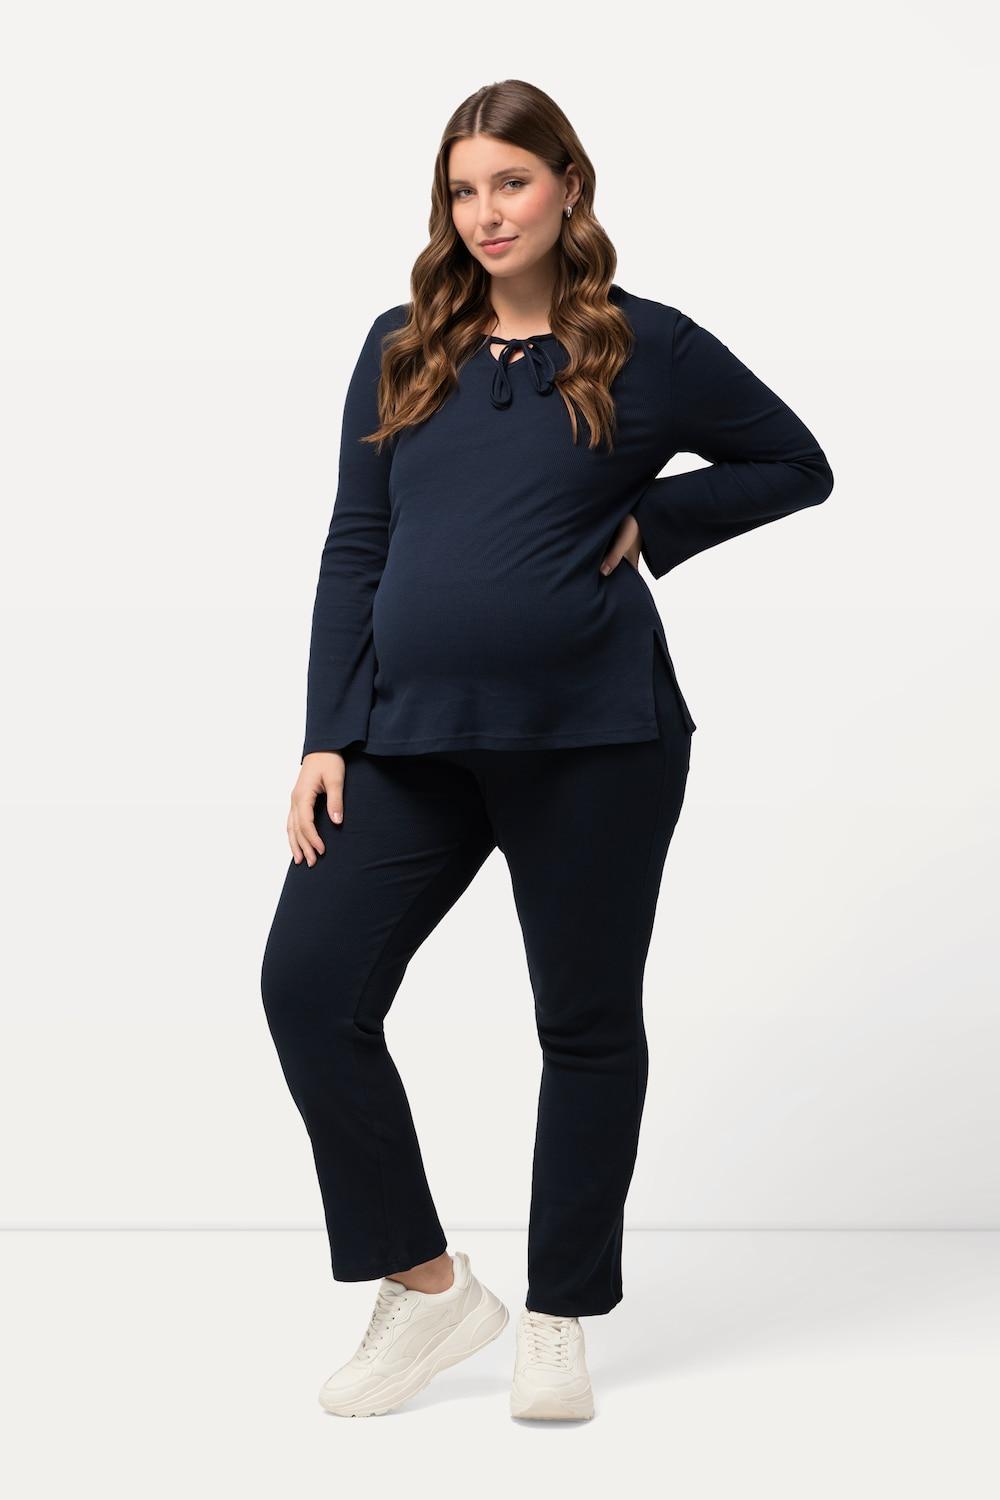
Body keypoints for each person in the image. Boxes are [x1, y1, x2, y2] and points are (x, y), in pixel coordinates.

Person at [260, 78, 834, 1423]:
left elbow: (794, 462)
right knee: (309, 985)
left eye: (509, 183)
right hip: (408, 739)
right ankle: (428, 1288)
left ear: (568, 185)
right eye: (463, 191)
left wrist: (658, 522)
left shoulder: (650, 345)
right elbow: (356, 542)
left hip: (598, 739)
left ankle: (560, 1314)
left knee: (582, 1024)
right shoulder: (402, 345)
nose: (486, 213)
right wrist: (328, 732)